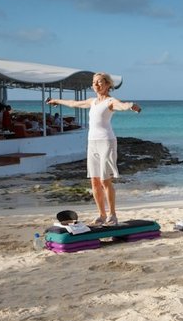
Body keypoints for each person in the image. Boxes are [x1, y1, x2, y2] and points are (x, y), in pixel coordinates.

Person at [47, 72, 141, 226]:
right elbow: (73, 103)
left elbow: (120, 105)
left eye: (100, 82)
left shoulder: (110, 101)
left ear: (108, 84)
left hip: (106, 142)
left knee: (105, 181)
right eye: (94, 82)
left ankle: (112, 215)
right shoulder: (92, 101)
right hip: (92, 143)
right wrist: (55, 100)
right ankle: (101, 215)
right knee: (95, 182)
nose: (97, 85)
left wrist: (130, 106)